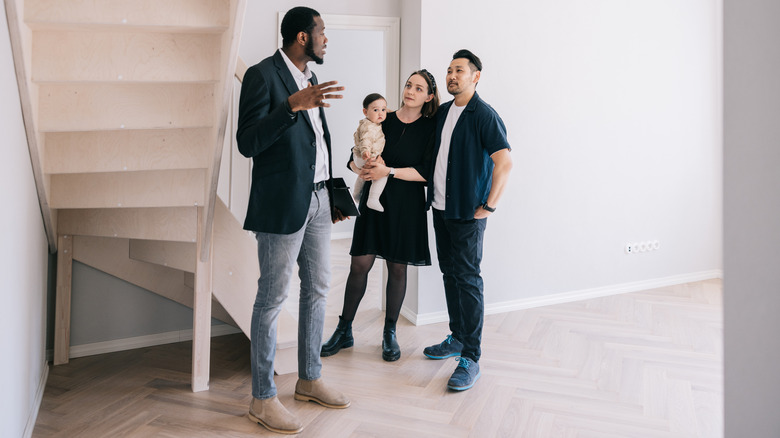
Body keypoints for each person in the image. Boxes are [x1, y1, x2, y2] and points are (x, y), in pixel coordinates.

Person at [236, 7, 351, 435]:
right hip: (283, 206)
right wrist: (290, 106)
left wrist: (330, 193)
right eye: (322, 33)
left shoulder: (312, 78)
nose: (326, 40)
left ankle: (309, 378)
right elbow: (247, 143)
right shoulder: (262, 76)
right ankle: (262, 399)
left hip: (320, 199)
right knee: (272, 298)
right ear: (302, 36)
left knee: (318, 289)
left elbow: (315, 143)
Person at [321, 69, 440, 362]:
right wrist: (358, 168)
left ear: (429, 97)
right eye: (408, 85)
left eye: (418, 88)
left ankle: (390, 333)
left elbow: (427, 173)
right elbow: (354, 157)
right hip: (375, 203)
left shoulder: (430, 128)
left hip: (407, 204)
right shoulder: (381, 116)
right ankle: (344, 329)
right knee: (359, 264)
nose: (410, 91)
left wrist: (390, 171)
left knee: (398, 268)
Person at [423, 50, 513, 391]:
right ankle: (457, 337)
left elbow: (505, 163)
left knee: (469, 279)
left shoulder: (484, 115)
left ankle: (471, 357)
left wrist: (488, 207)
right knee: (450, 274)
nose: (451, 75)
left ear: (476, 76)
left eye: (459, 70)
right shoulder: (444, 112)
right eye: (448, 70)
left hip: (468, 213)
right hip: (441, 208)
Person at [351, 93, 388, 211]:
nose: (380, 113)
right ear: (365, 112)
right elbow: (366, 139)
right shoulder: (369, 126)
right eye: (376, 110)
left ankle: (356, 194)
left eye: (383, 109)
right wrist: (365, 151)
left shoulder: (372, 123)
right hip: (365, 155)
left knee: (364, 174)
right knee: (381, 175)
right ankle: (373, 198)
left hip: (359, 156)